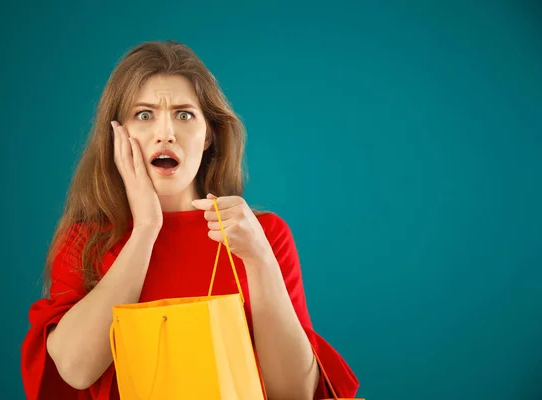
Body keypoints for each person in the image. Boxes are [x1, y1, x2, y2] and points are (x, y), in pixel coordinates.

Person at [21, 40, 359, 400]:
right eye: (144, 114)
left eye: (184, 114)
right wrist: (146, 229)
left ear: (209, 134)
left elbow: (294, 393)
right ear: (118, 134)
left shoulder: (263, 234)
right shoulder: (86, 239)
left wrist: (260, 260)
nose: (165, 133)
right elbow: (75, 369)